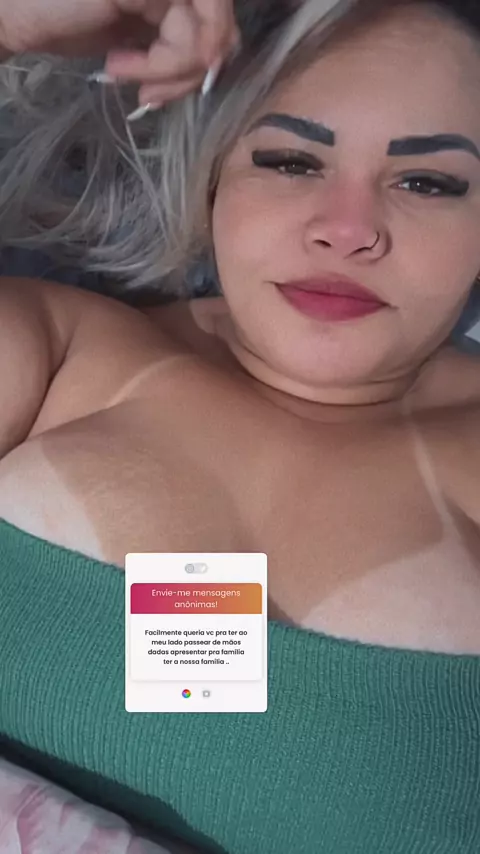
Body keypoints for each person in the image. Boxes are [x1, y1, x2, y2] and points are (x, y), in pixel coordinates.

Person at [0, 1, 479, 852]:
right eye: (293, 160)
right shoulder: (55, 353)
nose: (347, 231)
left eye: (427, 182)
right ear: (216, 171)